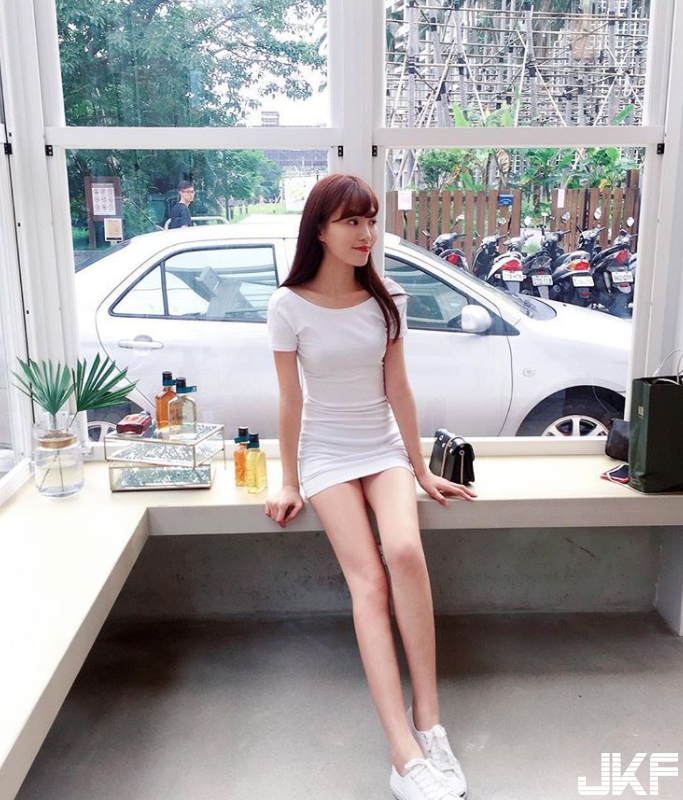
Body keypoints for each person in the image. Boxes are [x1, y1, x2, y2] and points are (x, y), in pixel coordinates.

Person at [265, 173, 477, 800]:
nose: (367, 234)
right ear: (320, 230)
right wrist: (288, 479)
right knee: (369, 582)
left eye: (372, 220)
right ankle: (401, 752)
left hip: (382, 449)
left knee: (406, 552)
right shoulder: (288, 305)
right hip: (326, 455)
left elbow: (399, 389)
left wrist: (420, 468)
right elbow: (290, 402)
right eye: (352, 222)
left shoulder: (388, 300)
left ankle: (429, 721)